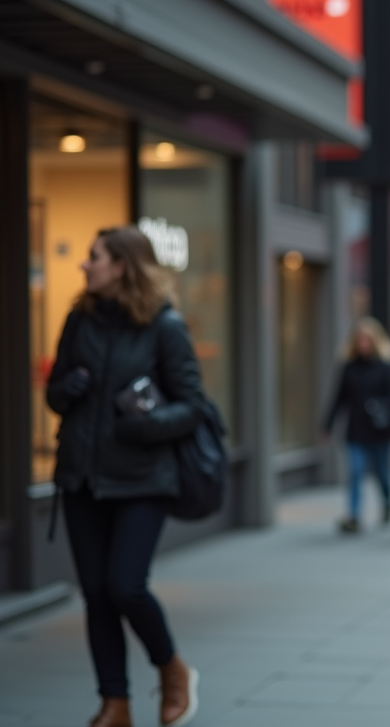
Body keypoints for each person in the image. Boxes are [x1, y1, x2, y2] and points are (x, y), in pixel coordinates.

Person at [46, 226, 202, 727]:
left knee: (126, 586)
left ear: (121, 266)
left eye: (93, 257)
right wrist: (66, 389)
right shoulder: (79, 319)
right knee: (96, 593)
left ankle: (172, 669)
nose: (84, 265)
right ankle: (115, 703)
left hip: (142, 478)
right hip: (83, 479)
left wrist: (141, 426)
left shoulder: (164, 326)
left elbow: (192, 406)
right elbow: (53, 393)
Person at [322, 317, 390, 534]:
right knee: (355, 471)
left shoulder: (386, 366)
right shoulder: (349, 367)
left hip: (380, 429)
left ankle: (387, 502)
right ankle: (354, 515)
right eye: (360, 340)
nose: (363, 344)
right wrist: (327, 424)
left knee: (382, 472)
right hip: (356, 429)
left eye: (367, 340)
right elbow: (339, 397)